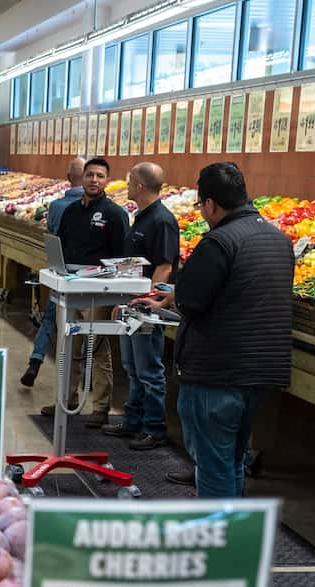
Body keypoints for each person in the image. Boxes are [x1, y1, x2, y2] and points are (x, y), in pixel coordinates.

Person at [158, 162, 293, 498]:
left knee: (214, 464)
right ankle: (232, 539)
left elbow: (191, 303)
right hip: (260, 374)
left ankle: (218, 543)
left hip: (217, 374)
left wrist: (176, 297)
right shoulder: (280, 240)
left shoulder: (218, 242)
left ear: (210, 204)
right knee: (232, 459)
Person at [44, 157, 129, 428]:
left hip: (98, 291)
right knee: (68, 345)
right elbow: (63, 246)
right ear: (82, 177)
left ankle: (100, 407)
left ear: (107, 181)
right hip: (70, 288)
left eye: (100, 176)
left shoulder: (115, 214)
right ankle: (67, 399)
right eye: (90, 175)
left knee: (98, 349)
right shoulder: (70, 212)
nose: (94, 180)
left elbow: (121, 257)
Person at [103, 162, 178, 450]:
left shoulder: (162, 220)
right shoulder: (142, 217)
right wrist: (122, 300)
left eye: (130, 179)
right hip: (132, 303)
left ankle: (154, 428)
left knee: (149, 369)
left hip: (145, 306)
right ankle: (133, 420)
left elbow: (165, 266)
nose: (127, 183)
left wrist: (145, 304)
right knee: (131, 366)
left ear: (140, 186)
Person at [21, 156, 85, 387]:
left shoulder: (57, 206)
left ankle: (36, 360)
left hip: (59, 269)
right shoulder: (91, 207)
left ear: (68, 178)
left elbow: (50, 235)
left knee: (51, 316)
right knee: (82, 323)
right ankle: (76, 374)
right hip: (86, 276)